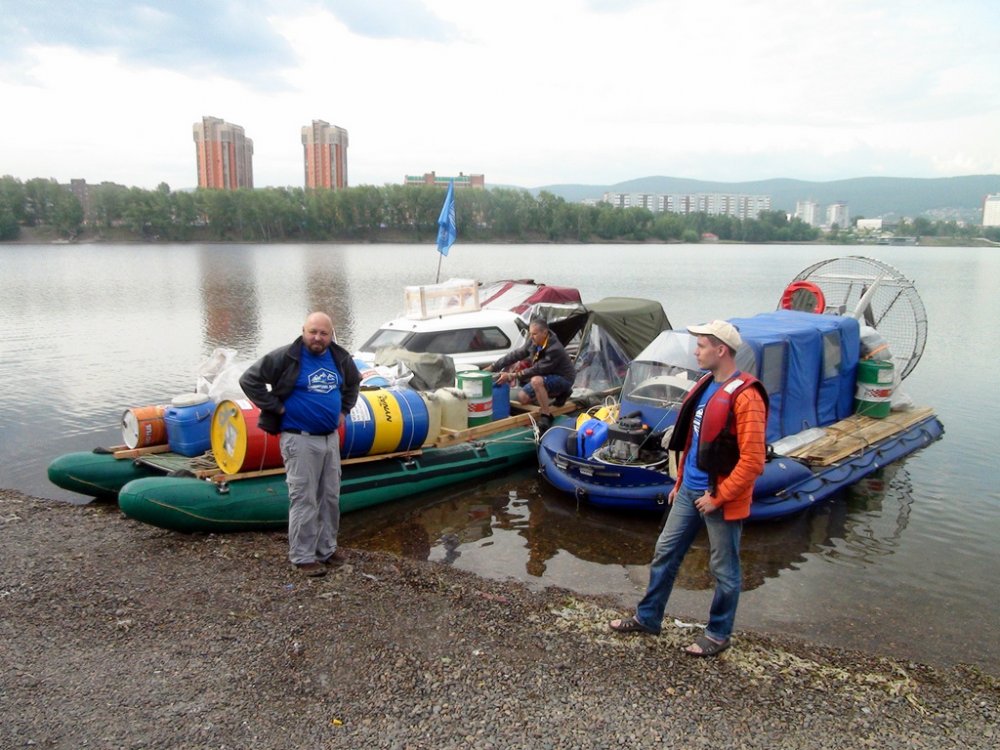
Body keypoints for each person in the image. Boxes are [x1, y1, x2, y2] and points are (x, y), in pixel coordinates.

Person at [608, 320, 768, 656]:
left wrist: (719, 497)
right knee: (665, 551)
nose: (695, 351)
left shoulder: (746, 396)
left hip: (719, 498)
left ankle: (719, 634)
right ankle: (648, 617)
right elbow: (695, 442)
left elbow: (753, 461)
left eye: (701, 346)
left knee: (724, 567)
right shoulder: (707, 385)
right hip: (688, 490)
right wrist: (679, 482)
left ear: (720, 350)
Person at [240, 312, 361, 577]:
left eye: (323, 333)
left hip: (330, 439)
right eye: (312, 331)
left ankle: (326, 549)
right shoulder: (285, 357)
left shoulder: (340, 358)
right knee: (304, 498)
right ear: (303, 331)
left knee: (329, 497)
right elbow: (249, 380)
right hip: (299, 438)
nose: (317, 337)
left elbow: (354, 383)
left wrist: (344, 410)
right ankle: (303, 556)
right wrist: (276, 408)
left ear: (331, 334)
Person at [484, 317, 575, 431]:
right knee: (523, 398)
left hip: (563, 378)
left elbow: (536, 370)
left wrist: (511, 376)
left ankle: (546, 414)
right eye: (530, 334)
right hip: (546, 376)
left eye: (535, 334)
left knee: (536, 381)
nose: (531, 337)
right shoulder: (533, 341)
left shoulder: (554, 349)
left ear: (545, 333)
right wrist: (493, 366)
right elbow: (516, 354)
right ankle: (557, 394)